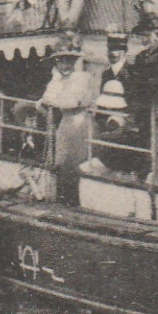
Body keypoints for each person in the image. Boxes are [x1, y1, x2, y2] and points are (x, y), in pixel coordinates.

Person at [40, 46, 97, 204]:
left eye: (69, 61)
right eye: (61, 61)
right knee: (60, 159)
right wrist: (54, 101)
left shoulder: (81, 78)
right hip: (65, 122)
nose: (65, 65)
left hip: (80, 121)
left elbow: (72, 102)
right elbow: (46, 99)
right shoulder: (56, 81)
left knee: (77, 160)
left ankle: (75, 199)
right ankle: (62, 196)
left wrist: (56, 102)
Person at [87, 80, 151, 179]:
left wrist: (102, 136)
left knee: (88, 167)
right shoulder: (126, 117)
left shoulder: (114, 120)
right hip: (129, 155)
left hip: (118, 158)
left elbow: (114, 136)